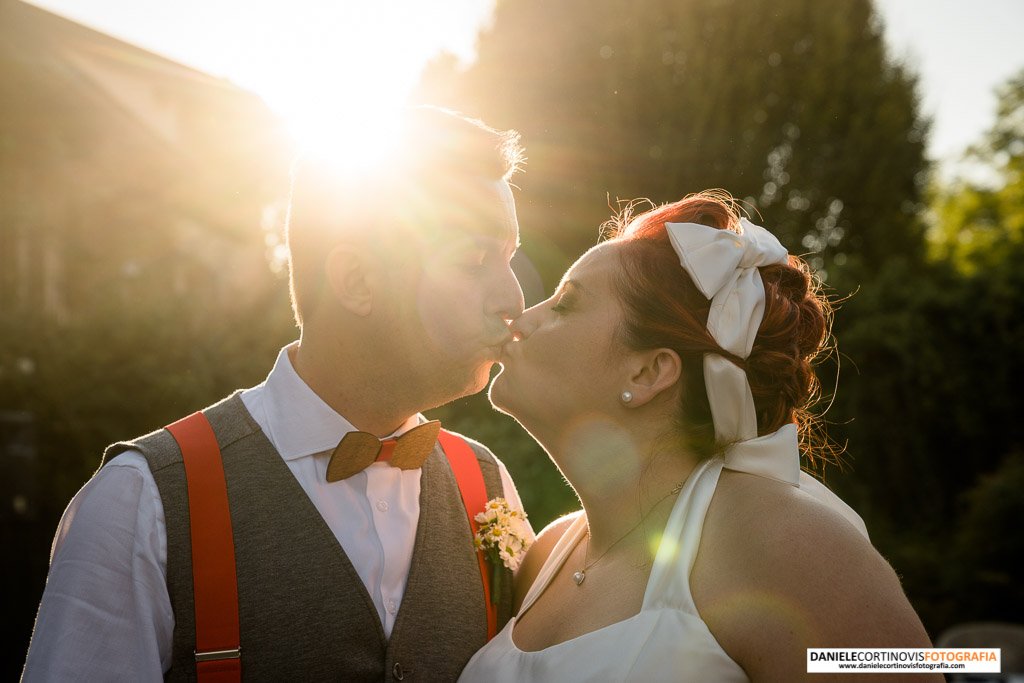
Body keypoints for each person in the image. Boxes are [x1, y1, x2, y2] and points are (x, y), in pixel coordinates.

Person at [24, 106, 534, 681]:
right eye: (475, 260)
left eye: (510, 258)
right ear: (358, 282)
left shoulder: (487, 487)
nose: (513, 299)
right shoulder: (141, 505)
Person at [460, 191, 939, 682]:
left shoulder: (786, 540)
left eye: (565, 304)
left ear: (648, 372)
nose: (520, 319)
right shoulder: (545, 555)